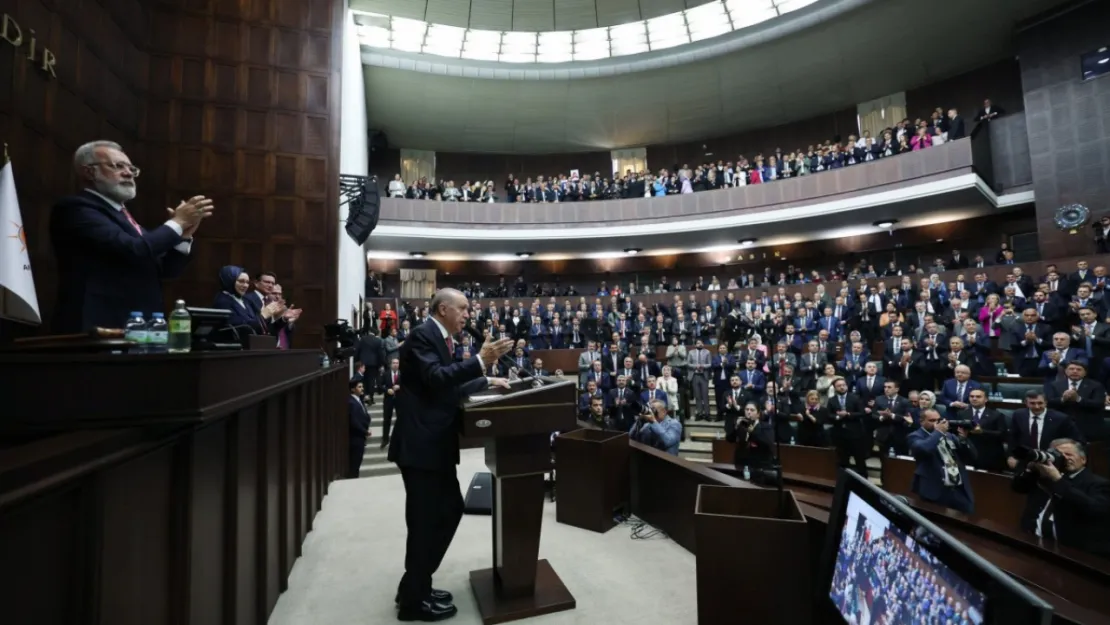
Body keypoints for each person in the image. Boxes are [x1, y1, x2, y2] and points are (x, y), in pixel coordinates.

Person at [388, 288, 513, 621]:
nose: (467, 315)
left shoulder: (438, 338)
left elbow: (446, 386)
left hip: (433, 445)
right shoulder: (422, 336)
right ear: (443, 308)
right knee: (428, 521)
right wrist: (478, 362)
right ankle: (414, 602)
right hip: (421, 447)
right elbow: (435, 378)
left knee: (443, 513)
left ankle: (415, 586)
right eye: (463, 309)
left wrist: (487, 378)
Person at [49, 140, 213, 332]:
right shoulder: (76, 209)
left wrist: (183, 237)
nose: (128, 173)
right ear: (89, 172)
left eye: (131, 168)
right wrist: (177, 223)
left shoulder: (126, 218)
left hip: (138, 326)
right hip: (97, 326)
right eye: (117, 166)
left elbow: (165, 270)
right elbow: (135, 249)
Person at [1012, 438, 1110, 558]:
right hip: (1034, 542)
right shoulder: (1044, 476)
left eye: (1068, 454)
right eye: (1058, 455)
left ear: (1083, 459)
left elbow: (1095, 509)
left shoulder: (1098, 483)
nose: (1064, 458)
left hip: (1072, 553)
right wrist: (1029, 469)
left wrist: (1058, 480)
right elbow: (1018, 488)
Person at [908, 409, 977, 515]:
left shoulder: (950, 436)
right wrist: (938, 432)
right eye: (932, 420)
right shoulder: (915, 436)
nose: (937, 423)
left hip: (957, 488)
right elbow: (925, 448)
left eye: (938, 420)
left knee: (966, 518)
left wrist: (963, 439)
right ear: (922, 421)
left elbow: (973, 456)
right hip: (935, 489)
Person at [828, 377, 869, 475]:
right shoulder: (831, 400)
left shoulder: (855, 397)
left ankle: (864, 482)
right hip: (839, 434)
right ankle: (844, 481)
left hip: (855, 433)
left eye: (843, 385)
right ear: (835, 388)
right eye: (839, 386)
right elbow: (829, 415)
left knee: (859, 459)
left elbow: (862, 413)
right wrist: (838, 417)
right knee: (842, 460)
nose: (842, 387)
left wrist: (848, 414)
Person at [348, 379, 370, 479]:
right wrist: (364, 431)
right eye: (359, 387)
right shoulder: (351, 402)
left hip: (361, 437)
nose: (362, 389)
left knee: (358, 462)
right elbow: (353, 421)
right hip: (356, 437)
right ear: (353, 389)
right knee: (354, 464)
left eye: (362, 387)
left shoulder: (359, 400)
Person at [379, 358, 401, 449]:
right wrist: (387, 390)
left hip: (400, 400)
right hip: (388, 400)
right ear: (391, 364)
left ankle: (400, 439)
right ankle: (385, 439)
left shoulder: (402, 374)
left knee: (401, 419)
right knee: (386, 419)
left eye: (397, 363)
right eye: (394, 363)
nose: (395, 364)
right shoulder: (386, 374)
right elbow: (380, 385)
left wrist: (400, 386)